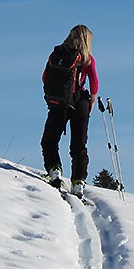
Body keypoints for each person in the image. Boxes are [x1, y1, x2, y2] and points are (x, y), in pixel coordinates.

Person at [40, 24, 99, 198]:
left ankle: (54, 170)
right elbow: (94, 82)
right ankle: (78, 182)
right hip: (80, 103)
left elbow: (45, 77)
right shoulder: (87, 59)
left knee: (49, 141)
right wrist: (92, 101)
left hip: (58, 104)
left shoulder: (57, 55)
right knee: (79, 146)